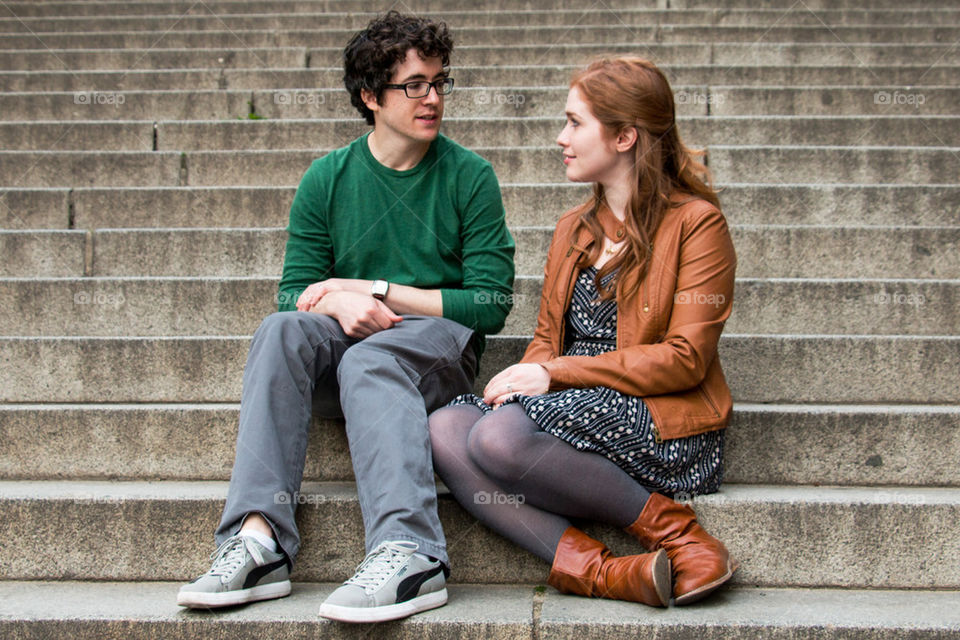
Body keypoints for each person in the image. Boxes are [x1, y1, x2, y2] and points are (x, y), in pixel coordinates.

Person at [176, 11, 515, 623]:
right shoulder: (327, 179)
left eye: (439, 82)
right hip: (348, 355)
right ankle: (258, 540)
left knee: (373, 357)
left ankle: (411, 551)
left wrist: (379, 290)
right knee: (284, 330)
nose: (432, 98)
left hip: (435, 355)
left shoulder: (470, 177)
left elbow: (490, 304)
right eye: (414, 85)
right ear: (370, 96)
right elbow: (291, 294)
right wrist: (333, 299)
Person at [428, 56, 738, 607]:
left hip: (661, 417)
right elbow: (549, 337)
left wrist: (552, 373)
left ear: (624, 136)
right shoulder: (573, 228)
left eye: (575, 123)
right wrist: (529, 374)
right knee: (446, 428)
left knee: (498, 438)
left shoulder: (696, 223)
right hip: (573, 402)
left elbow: (685, 358)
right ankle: (604, 572)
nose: (560, 136)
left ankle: (679, 534)